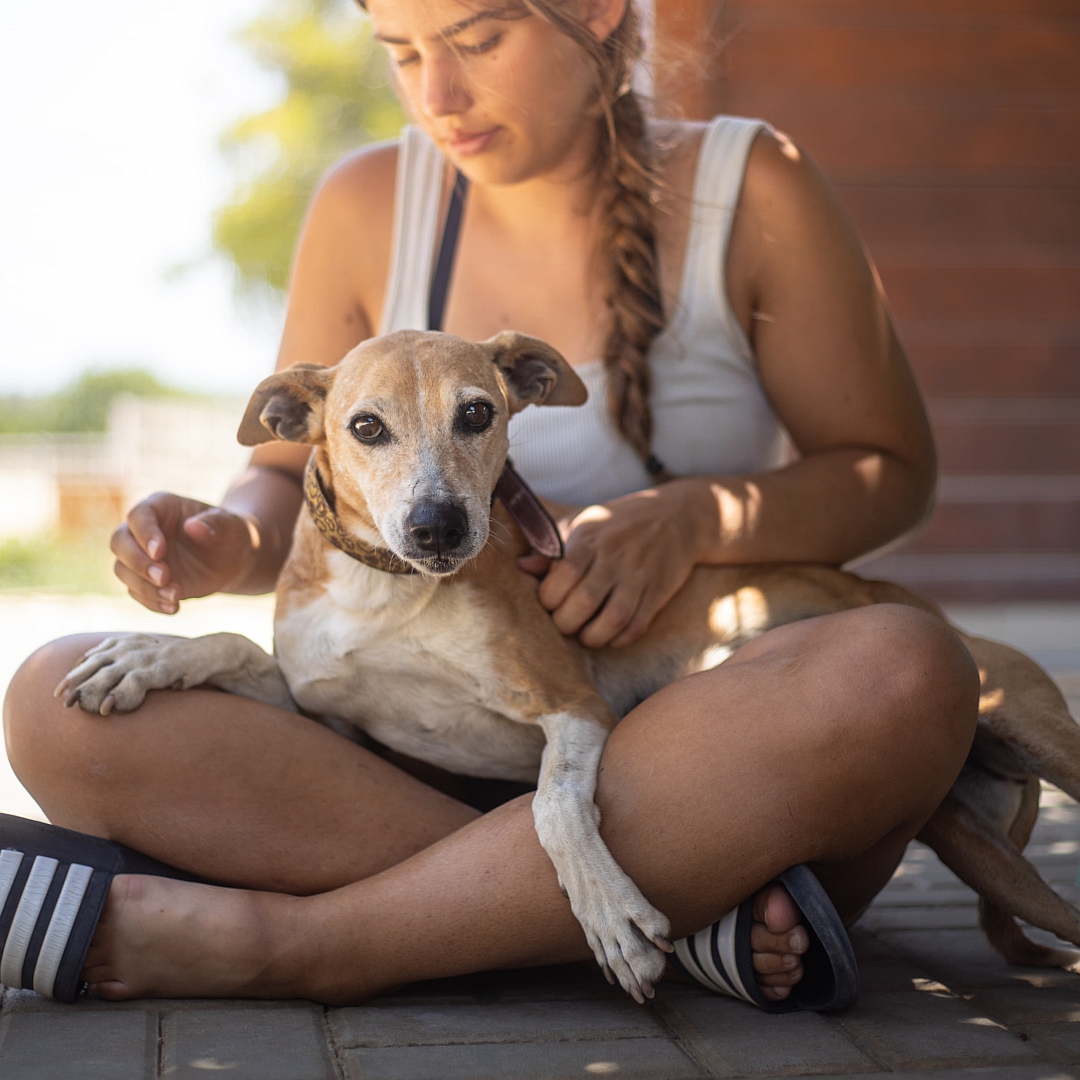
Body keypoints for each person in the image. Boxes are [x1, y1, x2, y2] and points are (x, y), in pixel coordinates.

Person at [2, 0, 978, 1005]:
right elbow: (299, 474)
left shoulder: (751, 182)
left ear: (599, 12)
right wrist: (229, 536)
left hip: (683, 747)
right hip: (395, 758)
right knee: (56, 701)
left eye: (476, 42)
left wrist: (695, 519)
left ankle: (298, 942)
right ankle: (672, 917)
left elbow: (889, 472)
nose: (438, 95)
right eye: (402, 53)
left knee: (903, 669)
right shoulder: (366, 201)